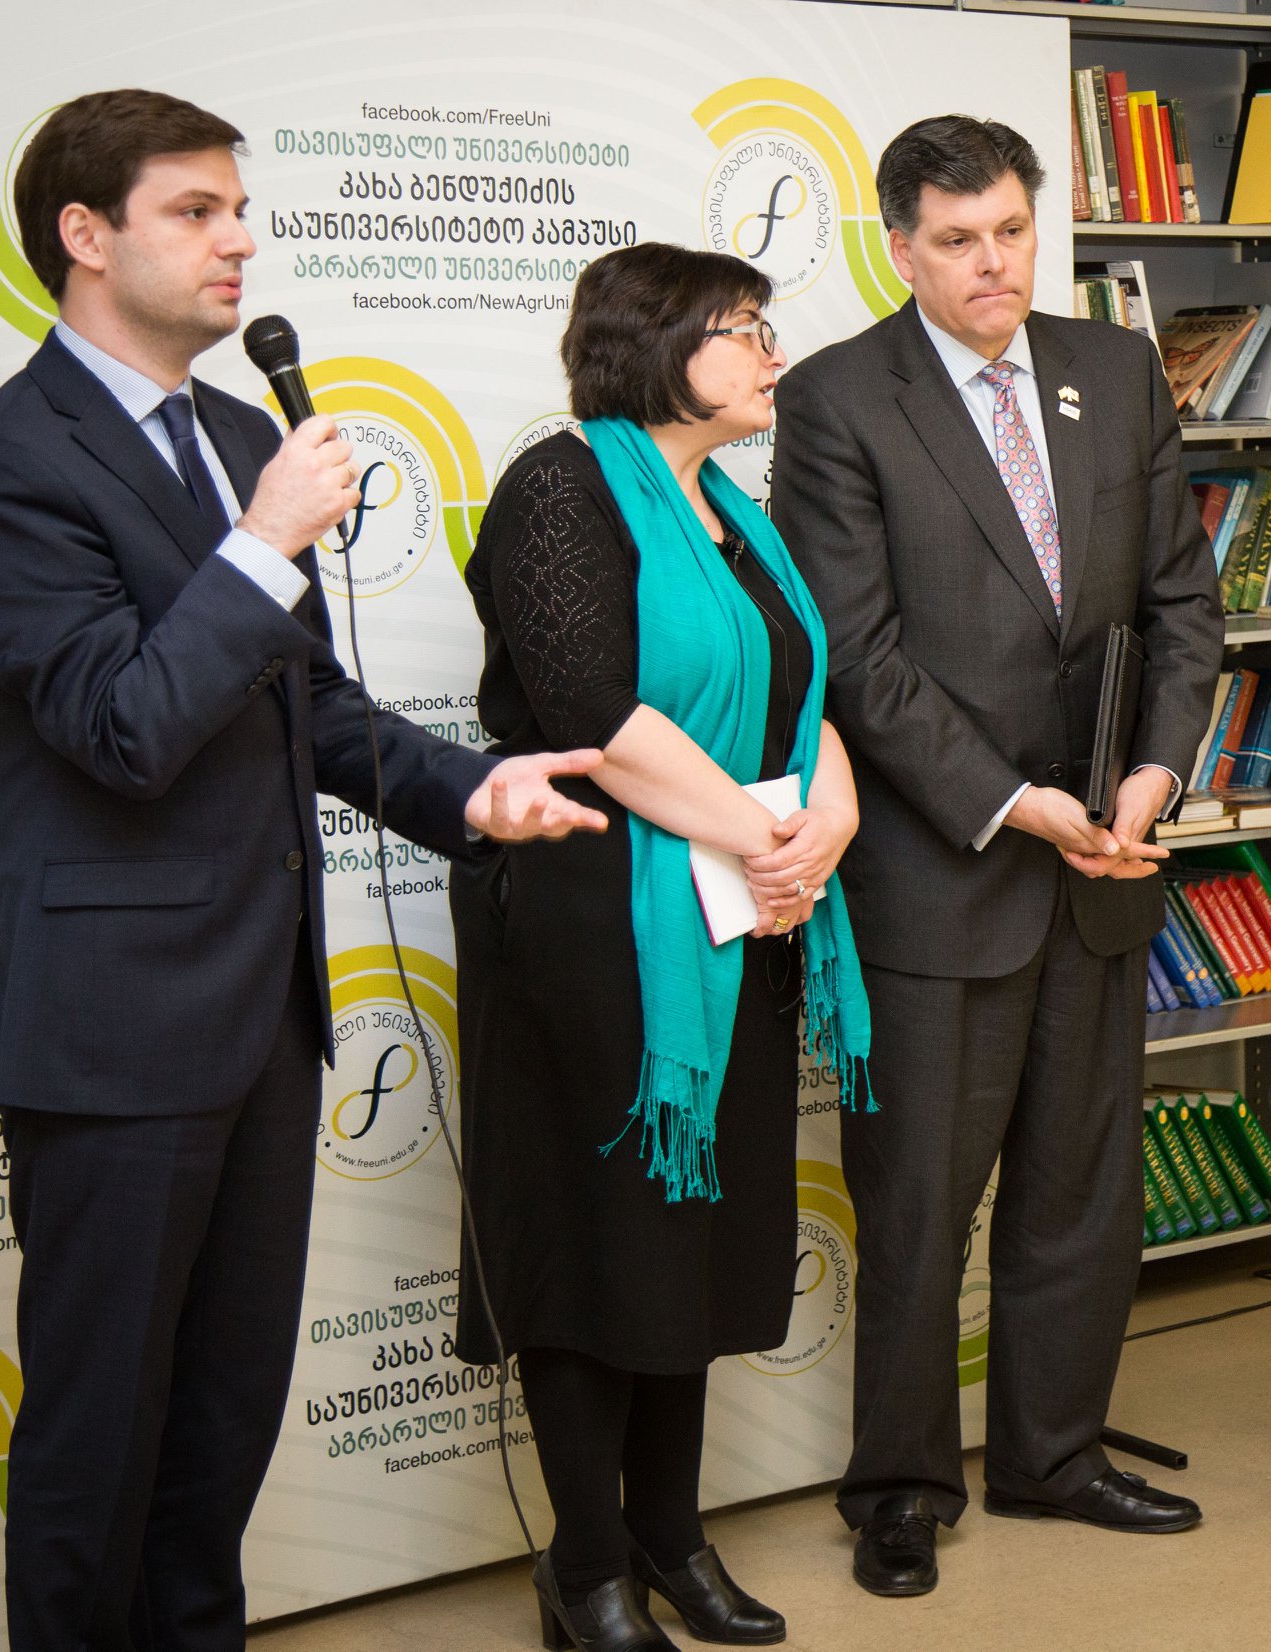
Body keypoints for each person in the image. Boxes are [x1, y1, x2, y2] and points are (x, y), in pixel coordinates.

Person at [0, 89, 605, 1650]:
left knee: (223, 1420)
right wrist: (260, 543)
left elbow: (311, 708)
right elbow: (121, 730)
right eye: (195, 211)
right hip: (113, 1031)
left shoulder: (239, 438)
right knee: (100, 1432)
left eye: (240, 209)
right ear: (85, 235)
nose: (239, 239)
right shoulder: (7, 466)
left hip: (263, 1017)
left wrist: (475, 789)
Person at [770, 115, 1223, 1597]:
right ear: (900, 248)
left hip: (1103, 867)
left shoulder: (1114, 372)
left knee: (1080, 1196)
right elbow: (857, 656)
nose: (993, 265)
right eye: (958, 241)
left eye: (1013, 232)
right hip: (942, 876)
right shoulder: (839, 400)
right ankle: (900, 1489)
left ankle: (1053, 1456)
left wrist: (1154, 775)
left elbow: (1179, 604)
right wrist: (1018, 804)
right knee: (917, 1207)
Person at [449, 241, 873, 1652]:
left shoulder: (733, 508)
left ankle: (670, 1537)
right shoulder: (558, 489)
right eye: (741, 328)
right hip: (586, 925)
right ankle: (584, 1566)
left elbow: (803, 692)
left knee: (689, 1233)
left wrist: (823, 825)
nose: (772, 354)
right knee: (599, 1245)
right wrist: (767, 842)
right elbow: (596, 715)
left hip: (726, 916)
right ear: (652, 346)